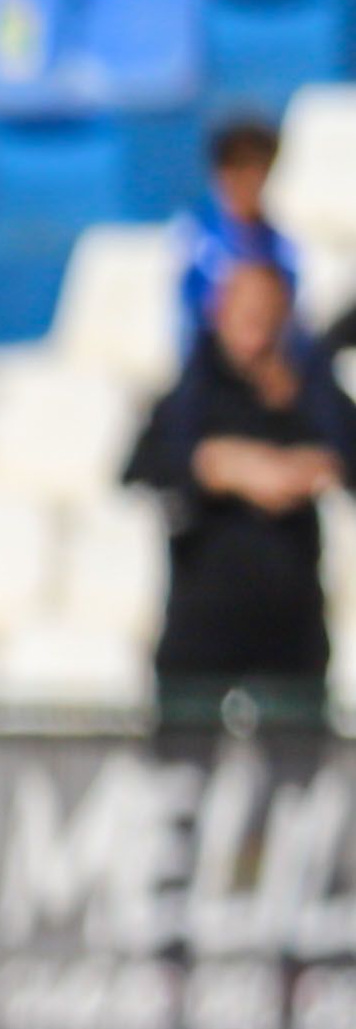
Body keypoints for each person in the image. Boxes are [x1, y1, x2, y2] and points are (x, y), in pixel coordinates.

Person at [128, 257, 350, 730]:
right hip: (204, 627)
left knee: (299, 773)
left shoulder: (312, 394)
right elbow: (140, 468)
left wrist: (308, 466)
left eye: (266, 312)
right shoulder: (194, 394)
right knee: (185, 773)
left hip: (291, 632)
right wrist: (217, 464)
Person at [172, 121, 294, 342]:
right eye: (236, 165)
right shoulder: (192, 237)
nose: (248, 177)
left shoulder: (283, 246)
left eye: (258, 166)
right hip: (208, 365)